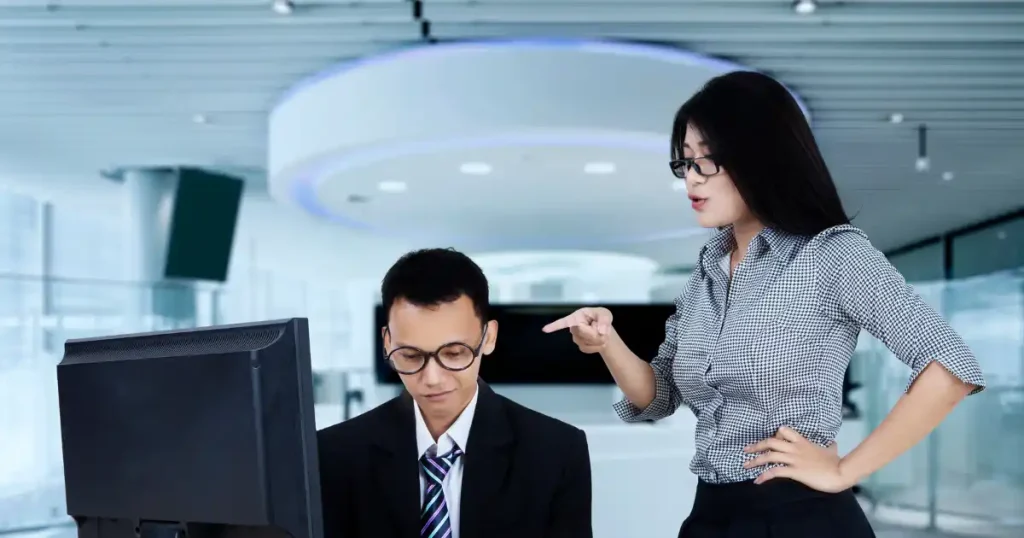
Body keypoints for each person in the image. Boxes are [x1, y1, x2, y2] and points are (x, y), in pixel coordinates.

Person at [542, 71, 986, 538]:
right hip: (710, 515)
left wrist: (844, 471)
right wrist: (607, 342)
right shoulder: (707, 270)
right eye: (685, 162)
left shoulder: (831, 254)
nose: (691, 178)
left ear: (761, 158)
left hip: (800, 518)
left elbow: (950, 365)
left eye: (706, 160)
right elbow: (660, 397)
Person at [318, 248, 593, 538]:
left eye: (454, 353)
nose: (432, 379)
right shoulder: (333, 454)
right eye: (411, 356)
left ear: (488, 337)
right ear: (387, 342)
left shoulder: (556, 452)